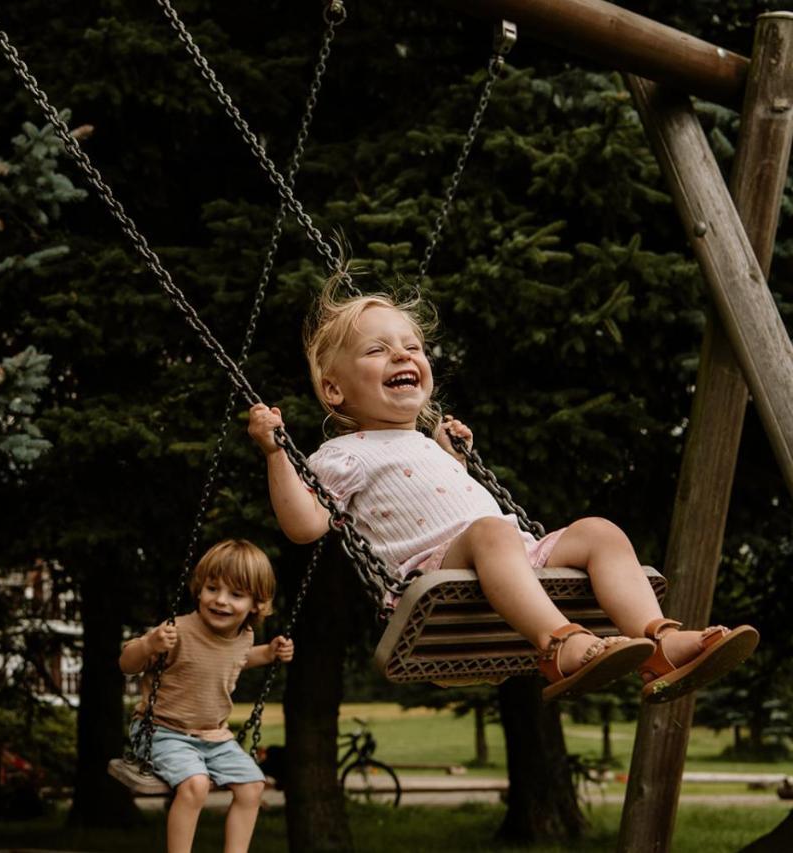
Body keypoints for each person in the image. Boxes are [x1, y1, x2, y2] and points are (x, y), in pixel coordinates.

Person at [246, 283, 757, 703]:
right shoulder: (344, 453)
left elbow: (444, 500)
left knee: (599, 531)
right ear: (335, 390)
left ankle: (660, 642)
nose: (402, 354)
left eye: (413, 346)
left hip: (510, 555)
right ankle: (560, 643)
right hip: (434, 575)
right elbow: (304, 525)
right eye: (378, 350)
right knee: (491, 531)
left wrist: (456, 459)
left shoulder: (426, 441)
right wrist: (276, 455)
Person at [120, 539, 294, 853]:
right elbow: (126, 664)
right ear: (199, 589)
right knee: (196, 785)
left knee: (253, 787)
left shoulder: (244, 637)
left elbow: (237, 659)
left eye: (236, 594)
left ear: (257, 604)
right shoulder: (177, 632)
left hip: (214, 736)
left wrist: (268, 653)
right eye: (213, 588)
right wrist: (147, 645)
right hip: (162, 731)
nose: (221, 601)